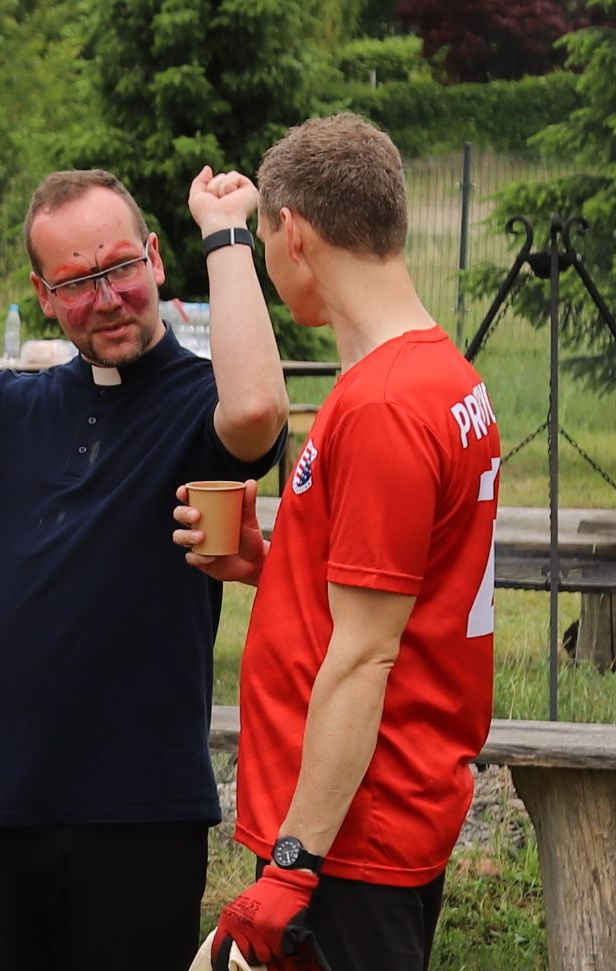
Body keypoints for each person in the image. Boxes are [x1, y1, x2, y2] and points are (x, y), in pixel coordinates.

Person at [0, 167, 289, 969]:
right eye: (77, 282)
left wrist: (227, 234)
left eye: (121, 266)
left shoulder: (202, 403)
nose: (108, 297)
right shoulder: (8, 405)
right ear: (44, 296)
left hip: (139, 815)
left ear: (155, 257)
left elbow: (259, 411)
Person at [174, 114, 502, 971]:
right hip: (373, 814)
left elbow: (365, 656)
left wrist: (294, 863)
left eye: (265, 242)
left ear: (294, 234)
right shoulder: (441, 374)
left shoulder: (384, 404)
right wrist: (273, 565)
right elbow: (403, 586)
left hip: (351, 833)